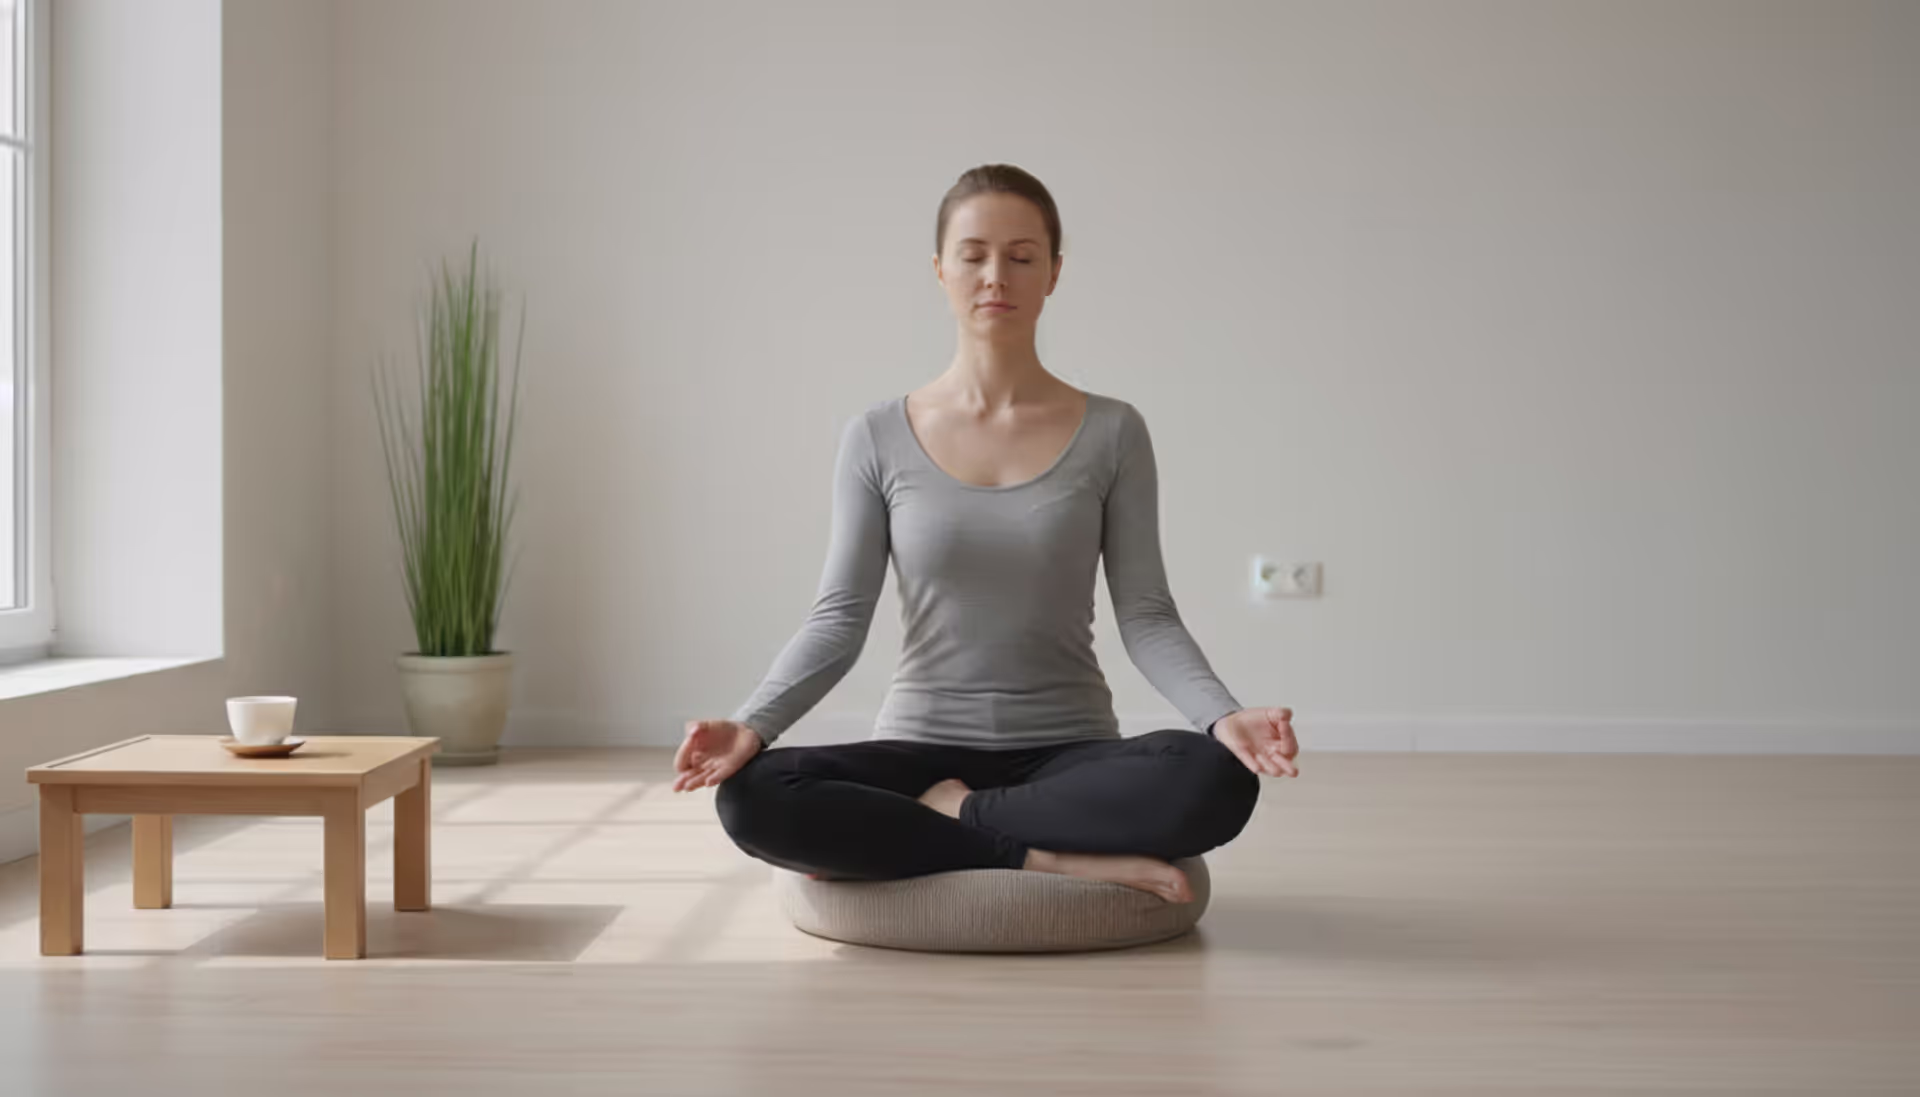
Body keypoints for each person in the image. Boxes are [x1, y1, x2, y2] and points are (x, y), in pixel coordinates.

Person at [672, 164, 1299, 904]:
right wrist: (753, 724)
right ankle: (1043, 858)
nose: (995, 275)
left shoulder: (1113, 430)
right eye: (972, 255)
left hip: (1067, 751)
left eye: (1022, 256)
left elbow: (1147, 613)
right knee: (755, 795)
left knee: (1214, 778)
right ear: (940, 269)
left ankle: (947, 821)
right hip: (917, 746)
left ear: (1054, 274)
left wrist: (1223, 716)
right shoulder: (876, 435)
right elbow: (839, 618)